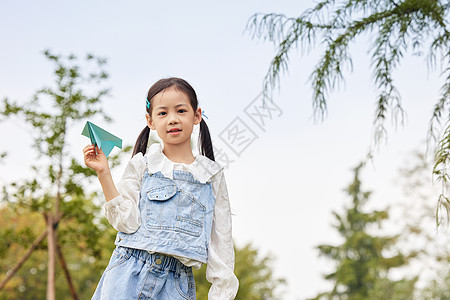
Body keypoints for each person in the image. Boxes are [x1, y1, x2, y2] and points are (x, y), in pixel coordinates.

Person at [83, 77, 239, 299]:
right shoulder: (142, 164)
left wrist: (222, 294)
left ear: (197, 115)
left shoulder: (211, 175)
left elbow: (221, 240)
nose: (173, 119)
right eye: (163, 113)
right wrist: (103, 173)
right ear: (151, 121)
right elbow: (126, 223)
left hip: (176, 285)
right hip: (127, 275)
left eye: (181, 111)